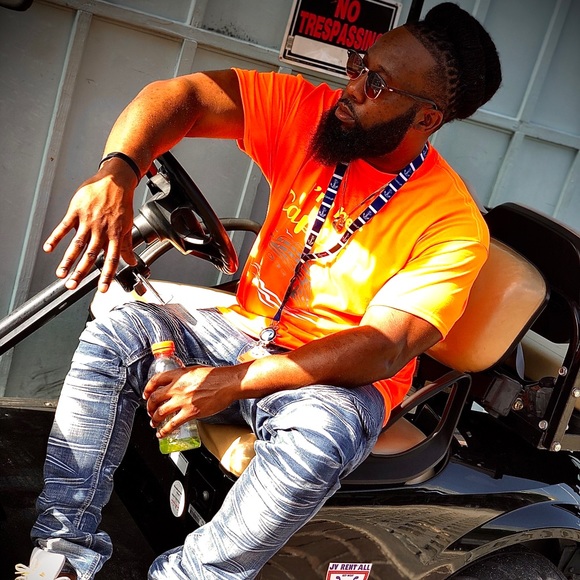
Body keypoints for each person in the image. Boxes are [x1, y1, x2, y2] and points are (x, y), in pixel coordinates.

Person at [17, 3, 501, 579]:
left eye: (376, 84)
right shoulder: (310, 112)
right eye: (358, 65)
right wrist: (118, 170)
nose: (350, 88)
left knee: (316, 443)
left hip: (335, 383)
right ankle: (63, 554)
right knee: (117, 334)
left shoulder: (452, 223)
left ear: (426, 117)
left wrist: (231, 382)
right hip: (243, 329)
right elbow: (181, 96)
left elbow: (384, 347)